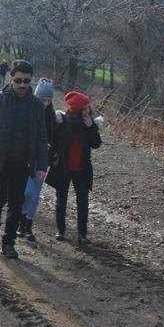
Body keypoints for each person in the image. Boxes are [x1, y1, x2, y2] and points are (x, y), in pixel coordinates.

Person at [0, 60, 49, 259]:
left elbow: (42, 137)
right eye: (18, 80)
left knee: (16, 204)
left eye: (26, 81)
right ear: (11, 78)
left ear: (31, 81)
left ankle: (9, 242)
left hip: (22, 163)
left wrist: (42, 165)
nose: (22, 85)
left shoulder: (36, 105)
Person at [45, 91, 103, 245]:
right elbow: (53, 140)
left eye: (87, 108)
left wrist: (90, 127)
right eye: (84, 108)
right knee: (61, 199)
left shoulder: (89, 124)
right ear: (76, 110)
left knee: (83, 202)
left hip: (82, 169)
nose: (87, 110)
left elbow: (96, 144)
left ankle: (82, 234)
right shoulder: (63, 122)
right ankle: (60, 230)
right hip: (63, 167)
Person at [18, 78, 56, 241]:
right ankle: (20, 221)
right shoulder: (29, 111)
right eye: (43, 99)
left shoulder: (51, 117)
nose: (46, 103)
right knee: (25, 192)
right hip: (26, 158)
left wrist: (49, 157)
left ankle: (28, 225)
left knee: (34, 195)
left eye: (49, 100)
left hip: (42, 161)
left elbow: (53, 139)